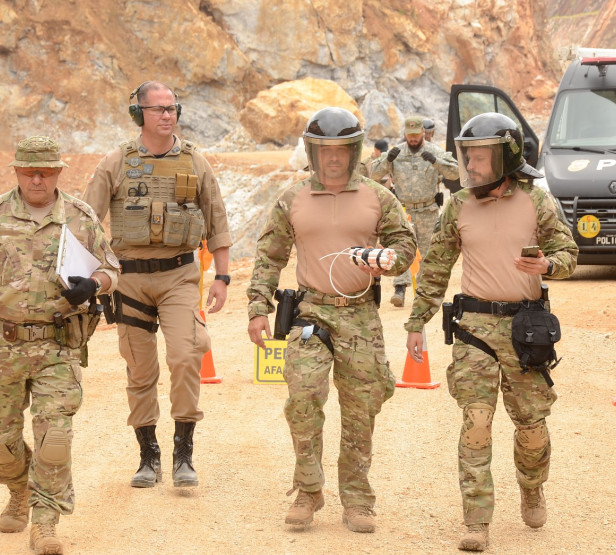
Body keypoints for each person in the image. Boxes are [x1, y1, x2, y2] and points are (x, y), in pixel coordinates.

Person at [0, 136, 120, 555]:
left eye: (46, 172)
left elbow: (112, 269)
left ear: (58, 172)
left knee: (54, 438)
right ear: (17, 172)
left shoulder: (80, 216)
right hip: (2, 346)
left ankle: (45, 521)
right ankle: (19, 489)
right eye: (29, 172)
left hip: (58, 346)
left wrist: (93, 284)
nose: (38, 179)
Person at [404, 113, 578, 552]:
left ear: (506, 158)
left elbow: (568, 253)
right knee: (477, 422)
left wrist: (548, 265)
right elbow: (435, 267)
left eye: (480, 158)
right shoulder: (458, 205)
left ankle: (532, 487)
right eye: (468, 157)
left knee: (532, 427)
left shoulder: (537, 201)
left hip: (526, 329)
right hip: (474, 329)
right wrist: (417, 322)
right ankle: (477, 521)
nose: (471, 166)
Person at [246, 107, 416, 533]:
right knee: (302, 399)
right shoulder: (293, 198)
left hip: (360, 315)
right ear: (313, 152)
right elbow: (269, 255)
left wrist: (389, 260)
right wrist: (257, 308)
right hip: (310, 313)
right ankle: (308, 490)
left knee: (361, 408)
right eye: (325, 150)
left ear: (354, 151)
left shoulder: (378, 196)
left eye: (342, 149)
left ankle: (357, 499)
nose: (334, 157)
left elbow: (404, 243)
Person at [82, 81, 232, 490]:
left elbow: (217, 220)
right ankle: (148, 456)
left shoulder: (196, 162)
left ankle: (184, 453)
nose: (168, 115)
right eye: (159, 109)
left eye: (172, 108)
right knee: (140, 369)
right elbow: (85, 223)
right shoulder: (116, 163)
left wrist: (221, 277)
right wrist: (89, 279)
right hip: (129, 280)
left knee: (185, 356)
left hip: (179, 276)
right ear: (139, 114)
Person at [370, 115, 459, 307]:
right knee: (401, 248)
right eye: (409, 135)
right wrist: (387, 160)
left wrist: (436, 162)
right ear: (405, 133)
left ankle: (423, 292)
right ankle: (400, 289)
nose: (412, 139)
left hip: (427, 211)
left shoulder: (434, 151)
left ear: (423, 133)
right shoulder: (396, 152)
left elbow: (455, 173)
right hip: (403, 211)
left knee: (427, 252)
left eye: (416, 135)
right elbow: (373, 173)